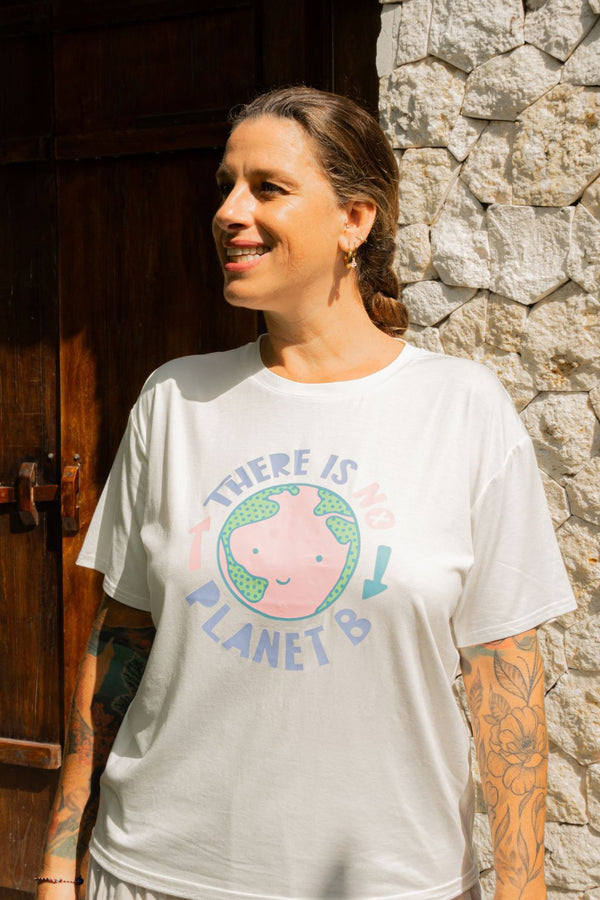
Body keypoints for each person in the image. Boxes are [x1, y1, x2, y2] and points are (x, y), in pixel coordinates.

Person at [37, 86, 576, 900]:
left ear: (354, 219)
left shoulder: (462, 409)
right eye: (226, 186)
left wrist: (524, 890)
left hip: (391, 881)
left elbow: (505, 680)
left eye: (268, 188)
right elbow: (121, 640)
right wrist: (57, 859)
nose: (229, 212)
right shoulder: (174, 400)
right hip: (155, 870)